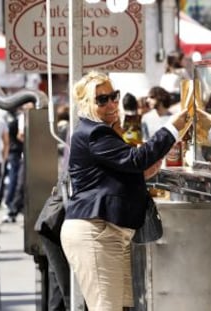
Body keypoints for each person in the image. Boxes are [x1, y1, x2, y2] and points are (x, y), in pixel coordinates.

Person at [60, 71, 188, 311]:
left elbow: (110, 174)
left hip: (106, 232)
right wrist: (171, 128)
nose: (111, 103)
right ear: (87, 104)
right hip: (95, 232)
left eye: (113, 96)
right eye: (101, 99)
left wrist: (141, 175)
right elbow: (136, 158)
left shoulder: (100, 131)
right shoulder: (94, 132)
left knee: (120, 306)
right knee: (107, 307)